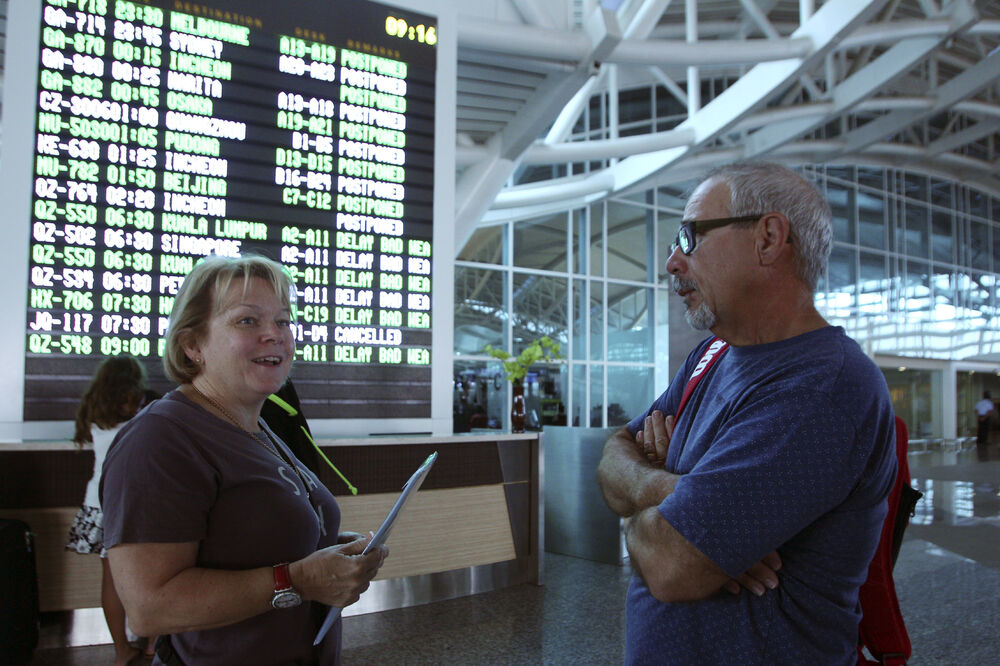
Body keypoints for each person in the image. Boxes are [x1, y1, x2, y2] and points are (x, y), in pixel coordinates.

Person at [597, 162, 897, 664]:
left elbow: (671, 564)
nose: (672, 261)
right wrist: (673, 492)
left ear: (768, 238)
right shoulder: (713, 353)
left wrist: (651, 511)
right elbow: (613, 456)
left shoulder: (822, 386)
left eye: (690, 237)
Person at [100, 255, 387, 665]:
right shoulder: (160, 439)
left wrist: (324, 549)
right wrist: (299, 580)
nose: (274, 335)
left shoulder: (258, 425)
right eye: (247, 321)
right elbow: (151, 607)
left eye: (284, 321)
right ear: (192, 344)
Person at [65, 355, 157, 665]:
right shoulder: (148, 404)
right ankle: (152, 647)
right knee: (157, 575)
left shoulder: (94, 403)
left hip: (99, 501)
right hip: (139, 501)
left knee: (112, 582)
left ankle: (121, 652)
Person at [975, 390, 993, 461]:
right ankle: (984, 441)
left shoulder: (979, 402)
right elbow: (989, 411)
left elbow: (975, 410)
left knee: (980, 429)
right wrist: (984, 418)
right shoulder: (989, 403)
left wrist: (979, 417)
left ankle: (979, 441)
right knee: (985, 429)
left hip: (980, 416)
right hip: (986, 417)